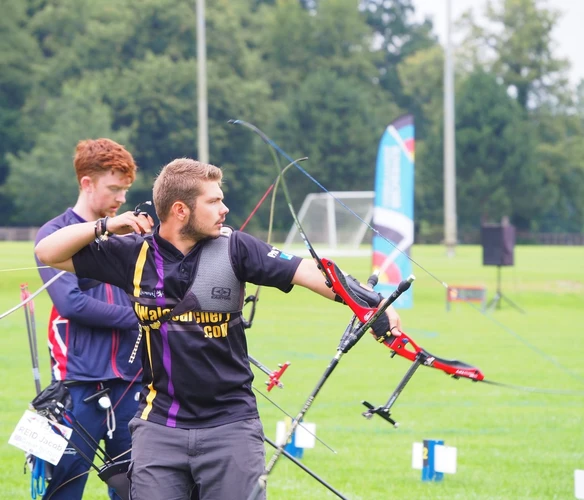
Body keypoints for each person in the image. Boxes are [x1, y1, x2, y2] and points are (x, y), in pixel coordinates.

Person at [35, 157, 402, 500]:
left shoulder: (236, 247)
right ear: (181, 210)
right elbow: (47, 252)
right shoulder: (132, 253)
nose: (224, 209)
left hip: (231, 426)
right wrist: (105, 226)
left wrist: (370, 302)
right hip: (159, 426)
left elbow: (308, 271)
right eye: (213, 201)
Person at [34, 138, 142, 500]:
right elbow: (72, 304)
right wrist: (138, 316)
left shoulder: (128, 233)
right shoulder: (54, 235)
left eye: (125, 190)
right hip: (78, 382)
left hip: (131, 379)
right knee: (65, 483)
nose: (121, 198)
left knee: (132, 483)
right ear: (86, 183)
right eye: (114, 188)